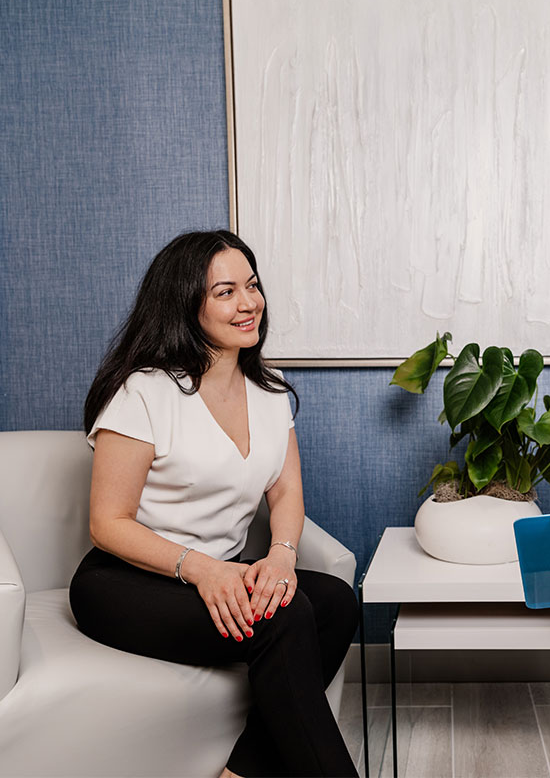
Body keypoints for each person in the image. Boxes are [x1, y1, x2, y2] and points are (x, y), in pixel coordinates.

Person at [69, 230, 359, 778]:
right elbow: (106, 524)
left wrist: (280, 557)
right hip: (127, 579)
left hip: (222, 572)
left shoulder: (269, 392)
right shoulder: (144, 392)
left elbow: (286, 491)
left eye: (252, 286)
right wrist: (204, 571)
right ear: (185, 302)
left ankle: (242, 770)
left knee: (336, 602)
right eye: (225, 292)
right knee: (284, 617)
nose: (247, 303)